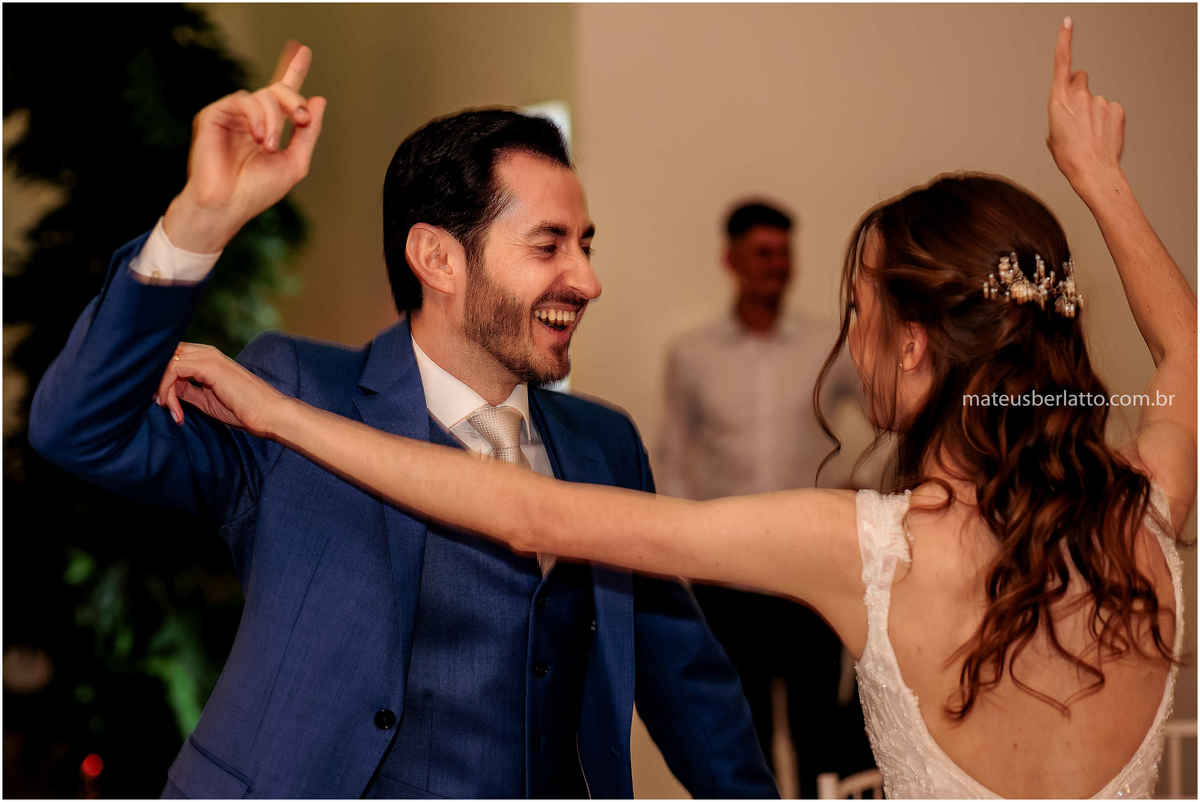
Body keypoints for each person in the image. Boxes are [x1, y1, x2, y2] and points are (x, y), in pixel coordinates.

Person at [151, 20, 1193, 797]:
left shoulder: (862, 545)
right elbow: (1185, 354)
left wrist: (283, 416)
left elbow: (529, 513)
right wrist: (1100, 180)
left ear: (916, 346)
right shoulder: (1146, 516)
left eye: (860, 311)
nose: (851, 338)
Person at [28, 42, 777, 798]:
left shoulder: (604, 443)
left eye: (583, 246)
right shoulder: (291, 393)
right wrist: (201, 219)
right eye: (548, 245)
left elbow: (686, 680)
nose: (586, 279)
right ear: (437, 259)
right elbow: (77, 427)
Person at [657, 200, 869, 795]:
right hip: (727, 579)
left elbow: (890, 421)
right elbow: (673, 459)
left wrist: (865, 492)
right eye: (763, 253)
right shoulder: (692, 355)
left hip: (811, 574)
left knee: (818, 730)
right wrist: (685, 559)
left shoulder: (830, 346)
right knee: (737, 731)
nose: (776, 265)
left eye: (783, 253)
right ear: (732, 260)